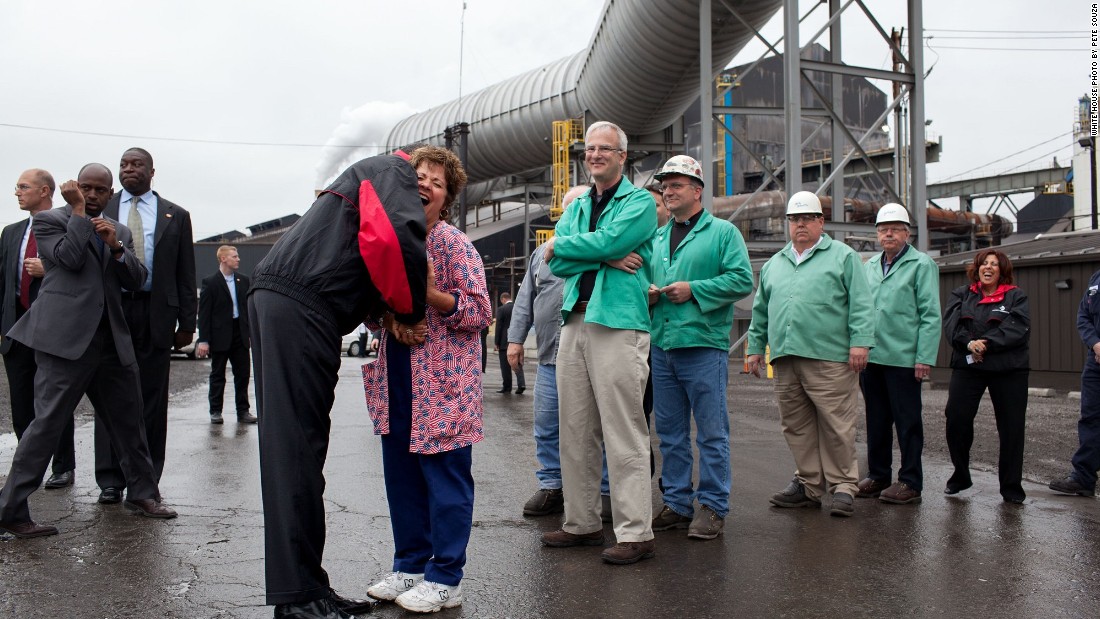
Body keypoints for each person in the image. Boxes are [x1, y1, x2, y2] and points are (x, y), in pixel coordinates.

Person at [249, 151, 427, 619]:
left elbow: (364, 250)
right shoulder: (394, 170)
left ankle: (308, 587)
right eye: (424, 178)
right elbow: (392, 240)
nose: (425, 189)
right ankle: (299, 598)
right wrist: (409, 311)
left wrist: (380, 308)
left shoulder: (367, 178)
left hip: (287, 299)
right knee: (297, 452)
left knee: (296, 449)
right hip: (303, 306)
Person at [0, 167, 176, 538]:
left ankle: (143, 494)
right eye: (86, 188)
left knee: (130, 424)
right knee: (45, 426)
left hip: (111, 341)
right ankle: (11, 510)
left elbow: (136, 279)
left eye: (100, 190)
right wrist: (78, 214)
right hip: (63, 343)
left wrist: (116, 247)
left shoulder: (120, 230)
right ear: (74, 189)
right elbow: (68, 260)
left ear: (110, 193)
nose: (92, 194)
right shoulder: (48, 221)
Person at [364, 145, 491, 613]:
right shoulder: (392, 241)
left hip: (442, 385)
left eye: (437, 182)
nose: (426, 186)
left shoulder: (454, 244)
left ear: (447, 197)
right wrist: (385, 315)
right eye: (419, 176)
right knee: (402, 478)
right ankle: (410, 565)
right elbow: (374, 312)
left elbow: (480, 311)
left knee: (445, 482)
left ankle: (446, 577)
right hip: (395, 375)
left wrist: (432, 295)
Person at [540, 121, 658, 565]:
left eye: (604, 149)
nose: (595, 155)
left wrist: (579, 247)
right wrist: (606, 254)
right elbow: (558, 262)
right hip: (575, 318)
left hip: (618, 321)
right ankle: (582, 523)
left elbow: (569, 248)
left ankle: (636, 532)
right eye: (589, 149)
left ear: (622, 156)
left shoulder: (640, 202)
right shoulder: (579, 203)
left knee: (623, 428)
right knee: (574, 429)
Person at [746, 191, 874, 518]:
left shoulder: (843, 257)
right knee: (796, 425)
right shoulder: (776, 263)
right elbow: (761, 312)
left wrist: (860, 342)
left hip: (829, 356)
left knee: (836, 423)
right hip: (786, 357)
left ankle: (844, 485)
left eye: (806, 219)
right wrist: (754, 349)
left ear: (820, 221)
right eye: (794, 219)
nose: (800, 225)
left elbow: (861, 303)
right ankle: (809, 484)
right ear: (787, 224)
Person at [646, 155, 752, 540]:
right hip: (663, 345)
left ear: (697, 190)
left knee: (711, 432)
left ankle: (712, 506)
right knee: (670, 432)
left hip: (703, 345)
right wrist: (650, 295)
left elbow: (741, 280)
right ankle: (676, 502)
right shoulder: (657, 237)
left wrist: (695, 289)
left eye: (676, 185)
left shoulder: (723, 233)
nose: (668, 192)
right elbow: (641, 281)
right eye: (665, 186)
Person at [94, 147, 196, 505]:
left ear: (152, 171)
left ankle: (148, 478)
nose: (128, 170)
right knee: (110, 396)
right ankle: (110, 478)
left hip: (156, 314)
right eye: (123, 164)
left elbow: (186, 272)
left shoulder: (176, 215)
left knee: (151, 398)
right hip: (112, 311)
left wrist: (188, 322)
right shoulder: (102, 209)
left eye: (137, 165)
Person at [507, 184, 588, 517]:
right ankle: (552, 485)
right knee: (547, 424)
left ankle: (605, 491)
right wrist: (514, 339)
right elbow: (526, 299)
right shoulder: (542, 254)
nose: (570, 214)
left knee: (591, 427)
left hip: (586, 357)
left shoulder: (595, 248)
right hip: (549, 358)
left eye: (577, 208)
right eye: (566, 208)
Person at [856, 204, 941, 505]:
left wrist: (924, 357)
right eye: (883, 229)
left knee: (907, 422)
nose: (888, 233)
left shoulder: (921, 265)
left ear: (907, 232)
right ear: (877, 234)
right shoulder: (868, 267)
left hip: (905, 359)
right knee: (876, 420)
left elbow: (930, 314)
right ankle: (878, 475)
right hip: (873, 357)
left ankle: (910, 481)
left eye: (894, 228)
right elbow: (860, 310)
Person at [2, 169, 76, 490]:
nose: (17, 192)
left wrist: (50, 268)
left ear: (45, 191)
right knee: (20, 403)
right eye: (17, 187)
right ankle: (29, 464)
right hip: (16, 330)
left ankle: (63, 466)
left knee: (53, 401)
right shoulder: (10, 232)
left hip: (51, 327)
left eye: (24, 187)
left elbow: (79, 268)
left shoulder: (66, 225)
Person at [942, 249, 1030, 504]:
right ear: (977, 268)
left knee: (1012, 427)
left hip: (1009, 369)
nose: (988, 267)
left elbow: (1018, 328)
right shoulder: (961, 294)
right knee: (956, 417)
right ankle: (960, 475)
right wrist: (969, 344)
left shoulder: (1016, 296)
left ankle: (1011, 487)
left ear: (1002, 270)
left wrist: (986, 343)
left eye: (994, 264)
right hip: (968, 365)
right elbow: (952, 325)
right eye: (984, 264)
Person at [1050, 267, 1100, 497]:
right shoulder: (1096, 279)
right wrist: (1095, 343)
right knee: (1090, 418)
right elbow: (1084, 317)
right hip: (1096, 359)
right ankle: (1083, 478)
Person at [195, 245, 254, 425]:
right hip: (220, 336)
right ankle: (215, 411)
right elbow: (204, 314)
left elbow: (249, 309)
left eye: (237, 256)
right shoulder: (211, 282)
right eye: (234, 256)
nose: (238, 259)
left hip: (240, 334)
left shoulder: (243, 281)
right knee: (218, 375)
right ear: (223, 259)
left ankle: (243, 411)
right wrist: (204, 340)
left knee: (243, 374)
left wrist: (251, 333)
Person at [493, 292, 525, 394]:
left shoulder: (502, 309)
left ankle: (507, 387)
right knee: (517, 363)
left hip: (504, 341)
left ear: (503, 299)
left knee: (505, 366)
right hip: (517, 340)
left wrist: (496, 342)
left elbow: (498, 327)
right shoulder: (517, 308)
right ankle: (521, 384)